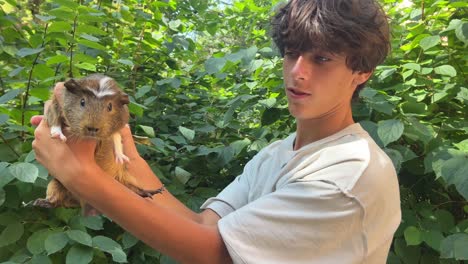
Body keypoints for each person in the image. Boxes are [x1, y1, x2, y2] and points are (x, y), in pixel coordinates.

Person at [31, 0, 401, 263]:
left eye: (321, 59)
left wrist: (79, 174)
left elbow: (214, 253)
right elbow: (205, 225)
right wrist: (128, 161)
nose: (297, 72)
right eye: (291, 53)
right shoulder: (279, 152)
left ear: (362, 72)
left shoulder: (348, 172)